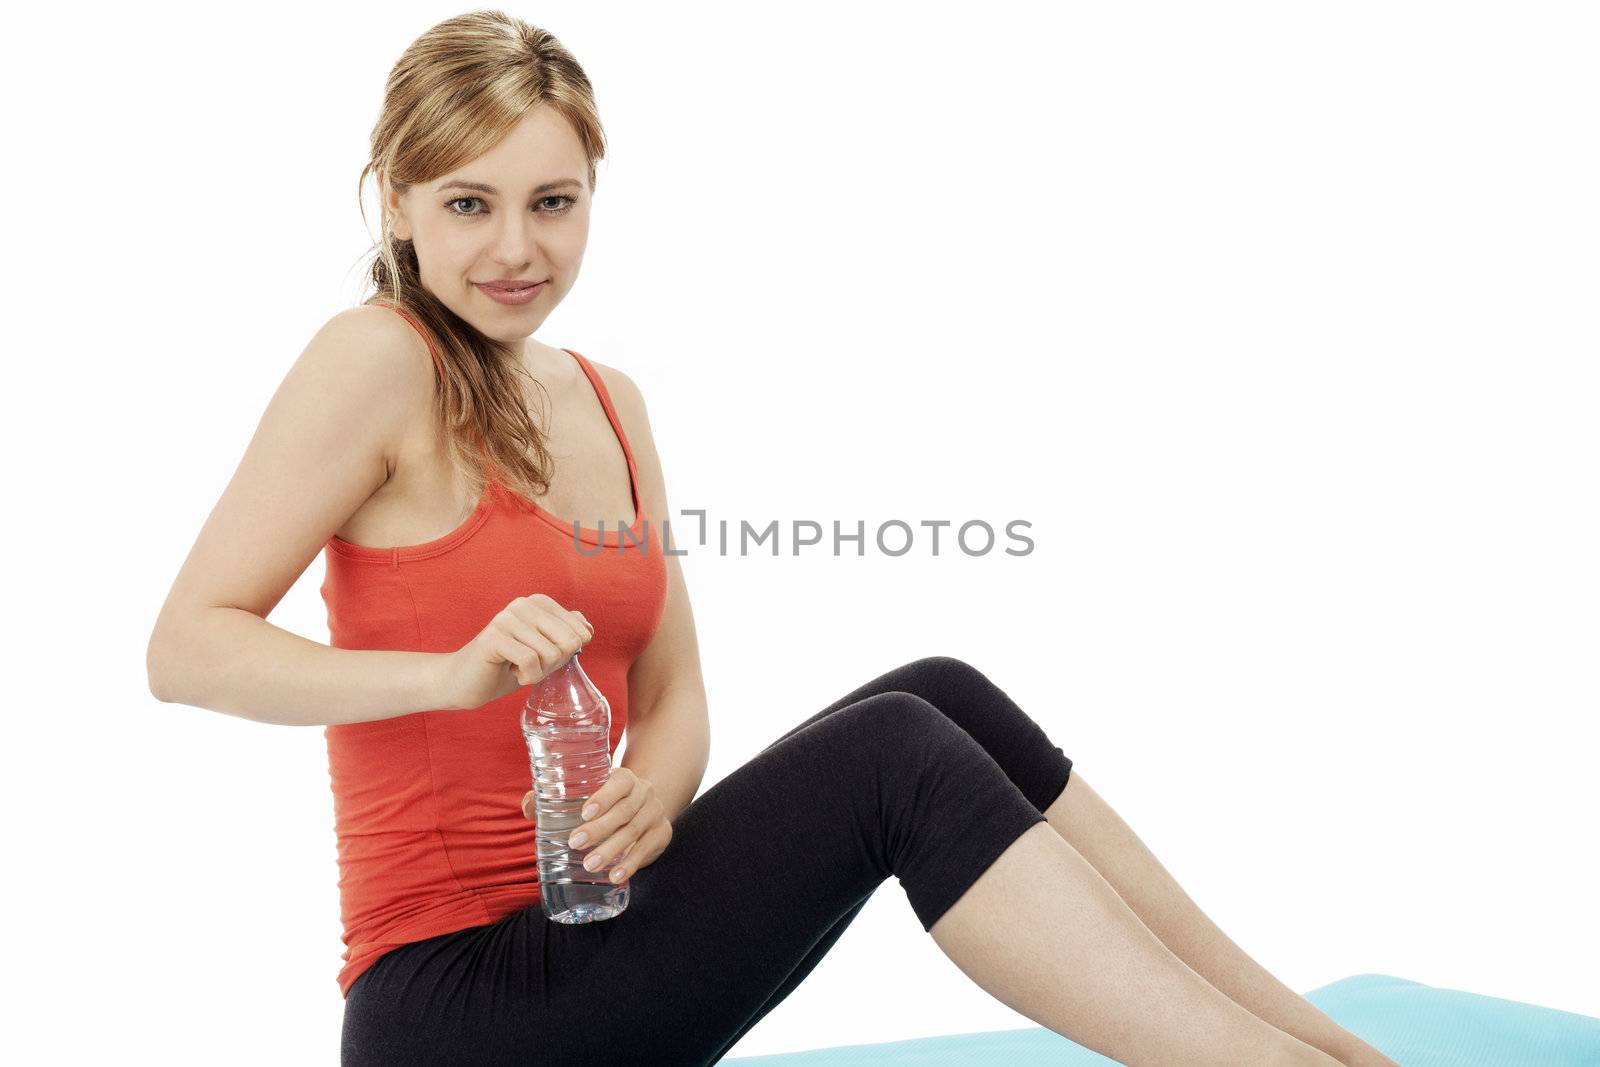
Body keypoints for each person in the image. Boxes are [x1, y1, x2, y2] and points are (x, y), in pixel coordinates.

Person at [145, 11, 1401, 1067]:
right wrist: (447, 672)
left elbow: (674, 683)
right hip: (457, 1000)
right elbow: (187, 646)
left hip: (596, 932)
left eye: (553, 202)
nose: (516, 248)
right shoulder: (375, 358)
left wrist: (656, 790)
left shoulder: (609, 398)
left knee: (939, 691)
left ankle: (1323, 1045)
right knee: (893, 753)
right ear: (399, 199)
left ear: (593, 198)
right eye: (469, 203)